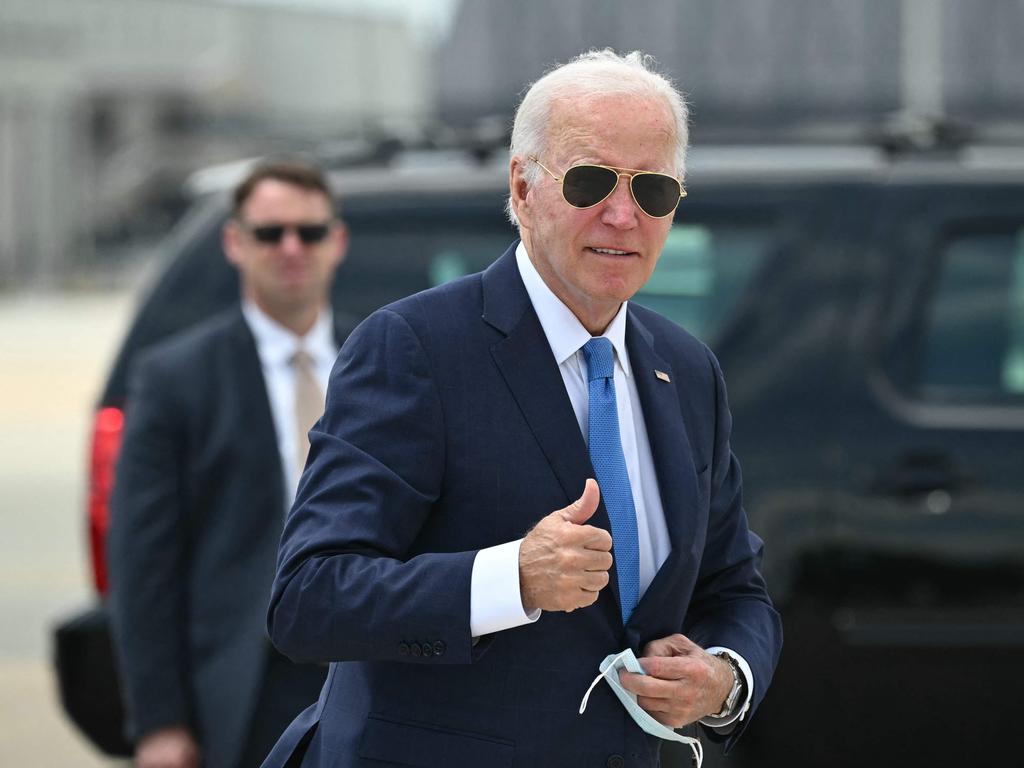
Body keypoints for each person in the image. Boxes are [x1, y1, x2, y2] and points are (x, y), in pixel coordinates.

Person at [263, 50, 782, 768]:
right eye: (592, 180)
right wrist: (511, 578)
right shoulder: (415, 348)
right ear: (523, 186)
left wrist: (724, 679)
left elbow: (736, 590)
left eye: (654, 188)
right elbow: (309, 600)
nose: (623, 213)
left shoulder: (687, 371)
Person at [108, 161, 354, 768]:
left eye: (310, 231)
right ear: (235, 243)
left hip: (368, 670)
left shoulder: (381, 360)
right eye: (270, 233)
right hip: (249, 686)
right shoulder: (175, 378)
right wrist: (159, 724)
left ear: (338, 241)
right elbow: (143, 565)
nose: (292, 248)